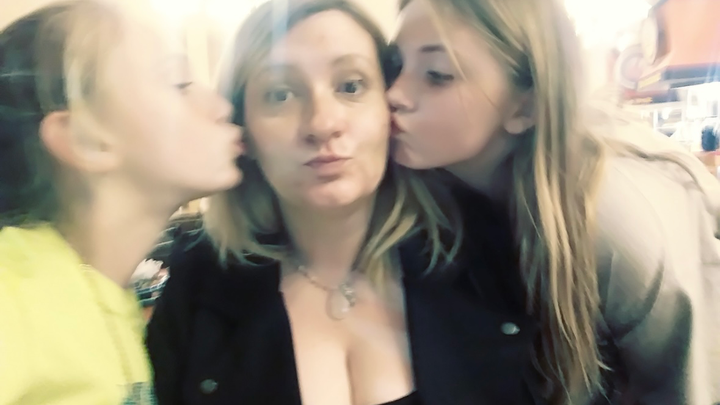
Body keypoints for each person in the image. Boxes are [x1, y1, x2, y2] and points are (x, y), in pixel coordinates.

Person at [143, 1, 495, 405]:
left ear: (390, 107)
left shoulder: (478, 257)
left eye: (351, 86)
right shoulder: (197, 289)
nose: (322, 124)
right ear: (245, 131)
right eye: (280, 94)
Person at [387, 0, 720, 404]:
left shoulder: (610, 218)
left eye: (438, 75)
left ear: (525, 105)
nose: (394, 94)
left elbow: (691, 387)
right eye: (393, 66)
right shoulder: (429, 193)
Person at [0, 1, 243, 404]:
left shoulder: (115, 303)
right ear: (86, 139)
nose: (220, 107)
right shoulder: (12, 295)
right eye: (179, 82)